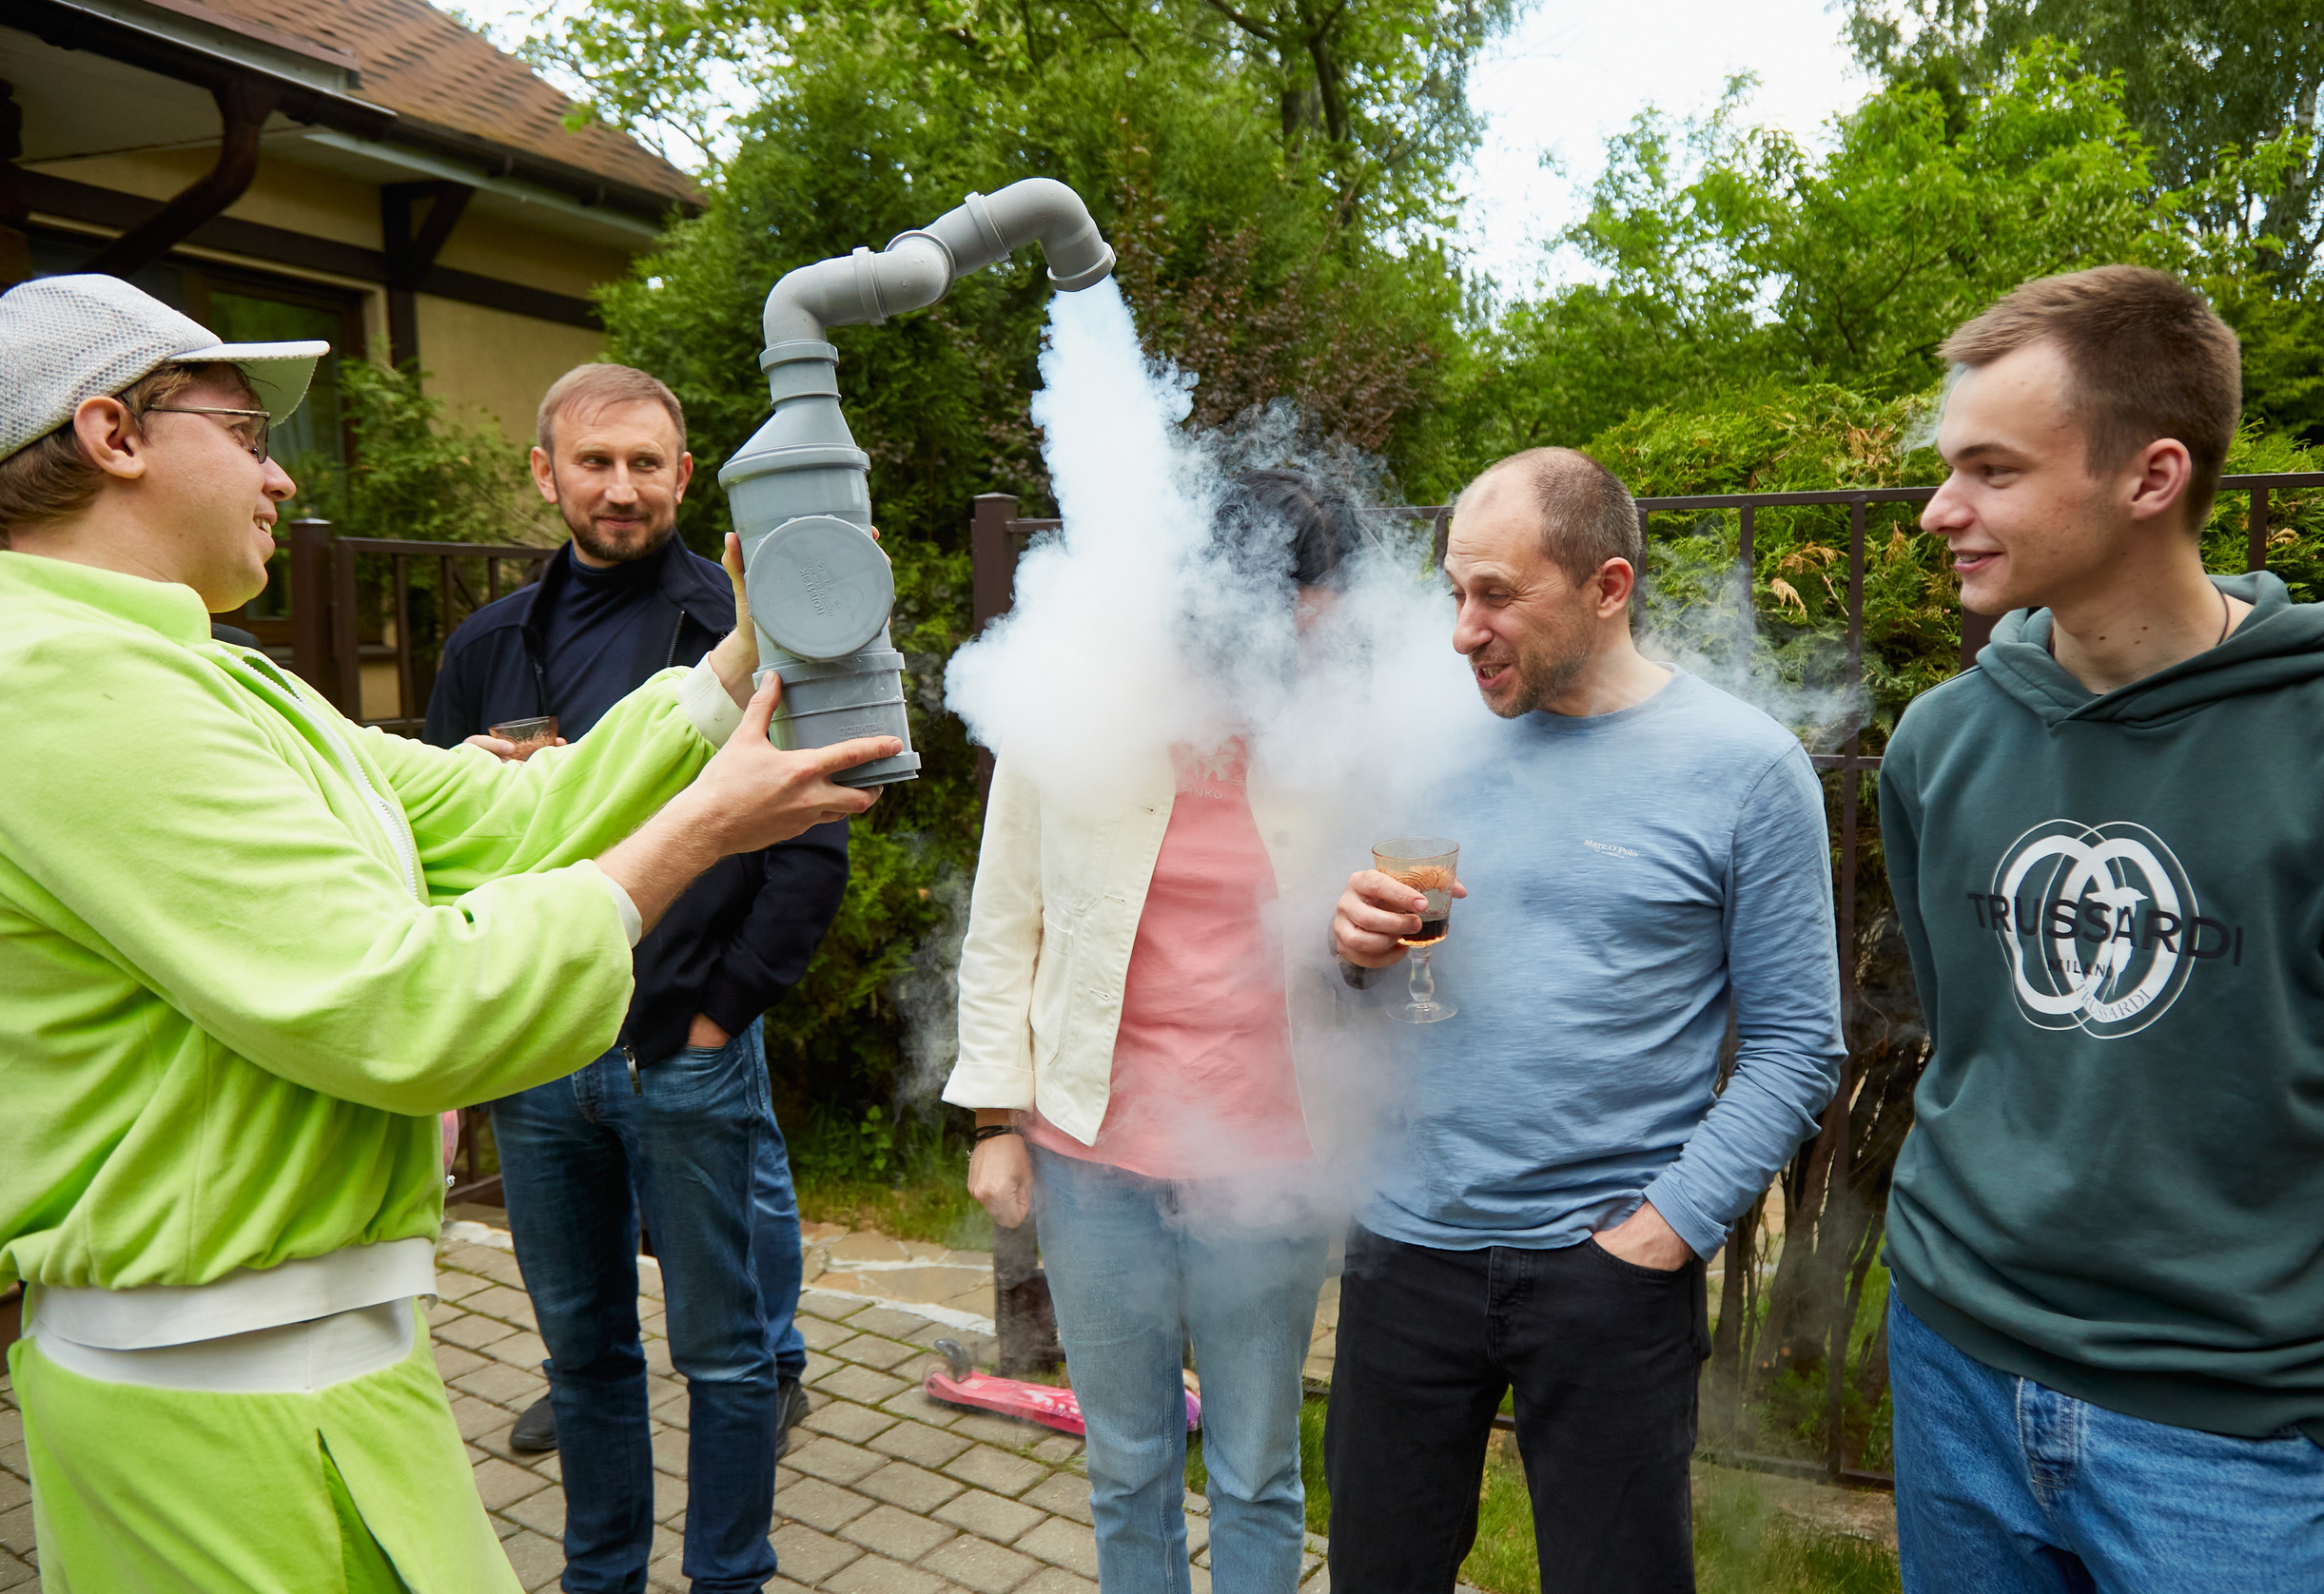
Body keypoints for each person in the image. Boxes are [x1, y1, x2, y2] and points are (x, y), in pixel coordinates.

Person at [0, 273, 897, 1593]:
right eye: (248, 437)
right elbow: (405, 999)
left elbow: (498, 810)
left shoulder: (207, 671)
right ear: (113, 436)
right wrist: (699, 830)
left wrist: (733, 666)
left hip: (328, 1369)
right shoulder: (59, 682)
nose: (282, 481)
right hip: (212, 1401)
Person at [1878, 265, 2324, 1592]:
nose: (1940, 509)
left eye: (1993, 470)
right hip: (1952, 1361)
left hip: (2226, 1432)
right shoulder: (1942, 742)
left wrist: (2312, 1354)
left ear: (2152, 475)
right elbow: (1976, 1038)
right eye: (1950, 466)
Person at [1325, 447, 1846, 1594]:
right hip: (1405, 1251)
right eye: (1455, 592)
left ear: (1608, 588)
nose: (1463, 630)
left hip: (1606, 1272)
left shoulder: (1746, 770)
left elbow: (1798, 1046)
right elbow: (1349, 991)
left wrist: (1660, 1238)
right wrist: (1344, 950)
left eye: (1498, 595)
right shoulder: (1417, 737)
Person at [421, 362, 848, 1592]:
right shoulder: (488, 645)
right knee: (587, 1360)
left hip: (682, 1054)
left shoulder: (748, 621)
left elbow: (811, 843)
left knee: (726, 1359)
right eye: (595, 461)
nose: (622, 487)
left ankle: (729, 1576)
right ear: (545, 471)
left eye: (646, 462)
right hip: (541, 1061)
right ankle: (599, 1576)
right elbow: (452, 845)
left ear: (683, 472)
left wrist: (719, 1017)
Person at [947, 470, 1345, 1594]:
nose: (1314, 636)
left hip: (1271, 1159)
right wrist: (991, 1119)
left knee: (1259, 1468)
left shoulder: (1336, 734)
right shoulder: (1073, 714)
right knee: (1127, 1464)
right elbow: (1003, 923)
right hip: (1090, 1157)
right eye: (1296, 608)